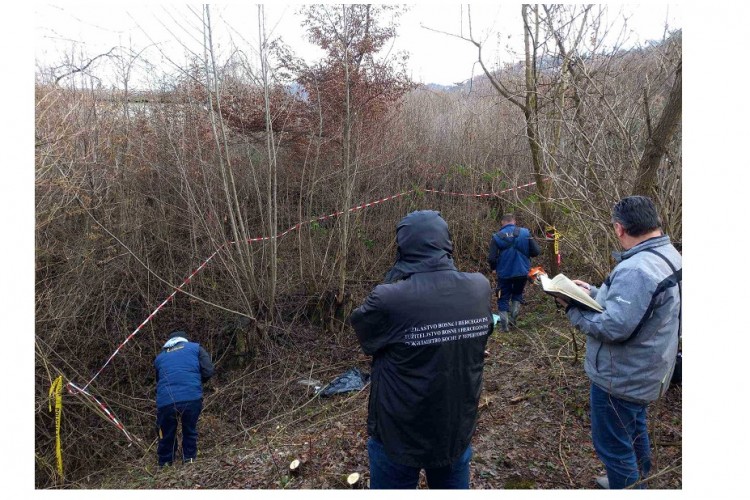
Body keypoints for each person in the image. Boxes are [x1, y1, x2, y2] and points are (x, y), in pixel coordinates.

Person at [350, 210, 494, 489]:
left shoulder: (389, 297)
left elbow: (365, 334)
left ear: (403, 247)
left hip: (399, 434)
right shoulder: (479, 287)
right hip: (456, 427)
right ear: (446, 243)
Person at [558, 196, 681, 489]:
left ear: (619, 229)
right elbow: (639, 307)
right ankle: (637, 481)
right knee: (634, 430)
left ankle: (625, 485)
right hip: (649, 370)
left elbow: (614, 327)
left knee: (613, 446)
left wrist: (571, 307)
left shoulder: (636, 269)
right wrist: (592, 291)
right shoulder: (670, 255)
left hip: (622, 376)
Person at [154, 329, 215, 467]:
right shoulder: (195, 348)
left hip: (166, 402)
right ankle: (189, 461)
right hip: (191, 397)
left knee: (167, 433)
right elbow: (208, 370)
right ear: (185, 339)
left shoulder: (160, 357)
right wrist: (196, 383)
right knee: (190, 430)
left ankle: (165, 464)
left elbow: (159, 381)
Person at [487, 213, 541, 331]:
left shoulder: (496, 236)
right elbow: (536, 251)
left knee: (503, 297)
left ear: (502, 222)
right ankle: (513, 319)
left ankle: (504, 326)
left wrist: (493, 269)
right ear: (514, 221)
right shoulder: (525, 233)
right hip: (522, 272)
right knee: (517, 294)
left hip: (504, 273)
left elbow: (491, 258)